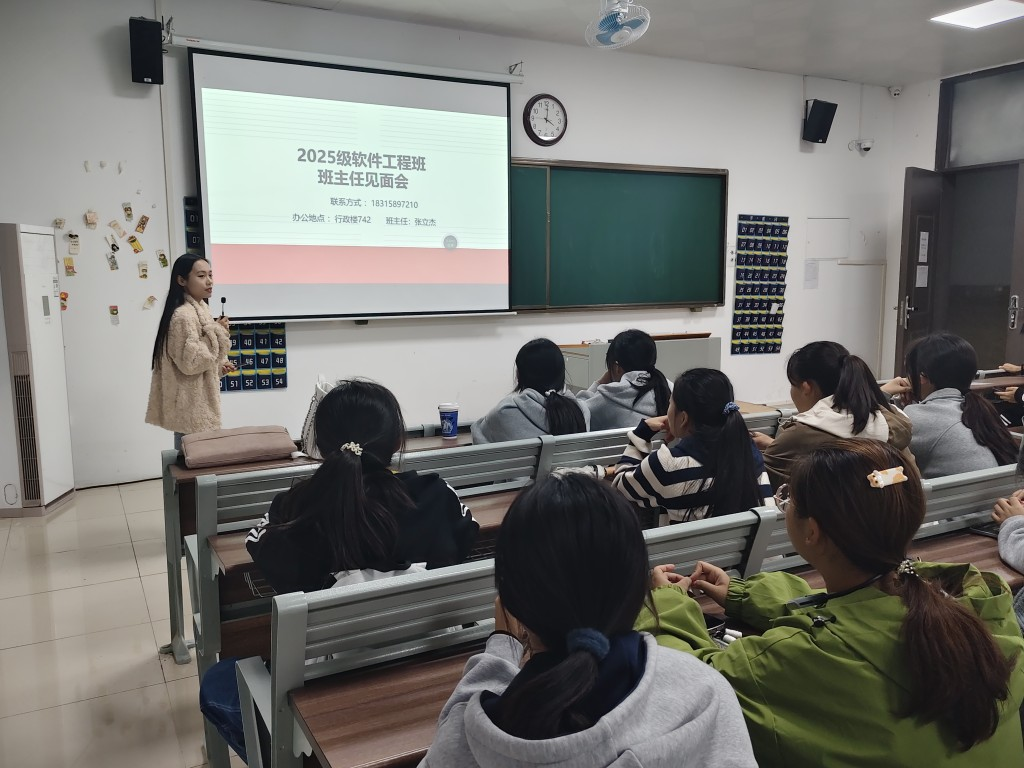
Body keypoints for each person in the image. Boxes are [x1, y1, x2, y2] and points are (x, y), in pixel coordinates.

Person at [637, 439, 1024, 767]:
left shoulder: (798, 659)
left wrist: (665, 602)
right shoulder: (981, 608)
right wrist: (743, 594)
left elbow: (695, 683)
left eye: (788, 498)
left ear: (812, 530)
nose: (785, 505)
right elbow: (856, 614)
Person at [202, 379, 480, 762]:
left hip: (330, 682)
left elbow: (261, 549)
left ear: (319, 443)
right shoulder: (437, 494)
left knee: (218, 681)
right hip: (430, 662)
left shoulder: (292, 509)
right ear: (397, 440)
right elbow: (466, 537)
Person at [420, 473, 757, 768]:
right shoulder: (704, 694)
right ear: (638, 588)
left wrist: (501, 646)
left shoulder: (466, 740)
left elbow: (456, 729)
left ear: (513, 602)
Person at [611, 368, 772, 524]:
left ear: (683, 418)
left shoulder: (667, 464)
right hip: (752, 544)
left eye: (670, 404)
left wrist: (642, 433)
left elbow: (621, 487)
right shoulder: (750, 455)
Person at [751, 340, 916, 488]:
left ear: (807, 387)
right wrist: (775, 444)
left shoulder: (800, 434)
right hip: (888, 512)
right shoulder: (891, 424)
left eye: (793, 385)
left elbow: (757, 480)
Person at [882, 334, 1017, 478]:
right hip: (999, 491)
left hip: (955, 493)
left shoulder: (920, 416)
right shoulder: (977, 409)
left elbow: (872, 441)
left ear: (922, 376)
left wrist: (882, 393)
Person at [145, 254, 234, 451]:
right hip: (190, 410)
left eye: (210, 275)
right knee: (192, 462)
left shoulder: (201, 309)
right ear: (182, 280)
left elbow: (202, 357)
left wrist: (220, 366)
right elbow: (191, 362)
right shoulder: (183, 316)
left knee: (200, 461)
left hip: (198, 406)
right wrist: (217, 330)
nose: (209, 281)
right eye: (201, 276)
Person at [472, 338, 589, 444]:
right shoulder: (580, 411)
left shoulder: (505, 412)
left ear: (519, 375)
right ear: (561, 373)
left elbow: (479, 437)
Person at [574, 329, 671, 430]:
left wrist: (599, 382)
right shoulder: (666, 387)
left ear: (617, 367)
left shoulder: (611, 395)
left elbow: (576, 413)